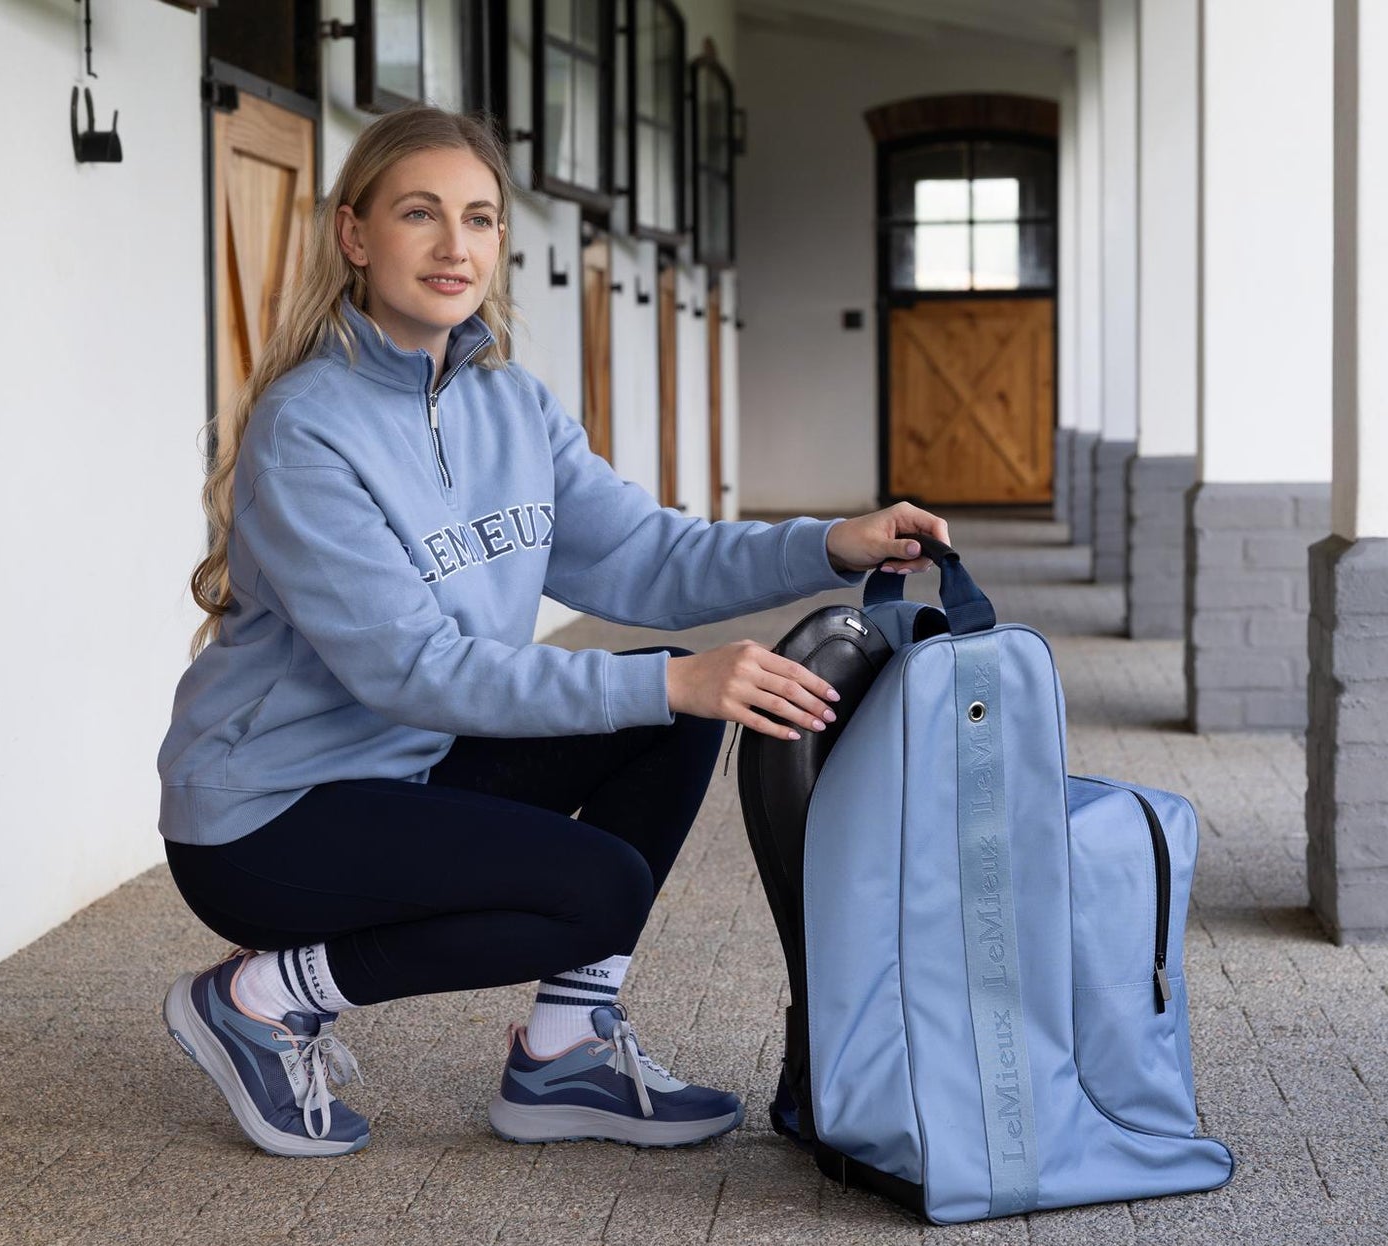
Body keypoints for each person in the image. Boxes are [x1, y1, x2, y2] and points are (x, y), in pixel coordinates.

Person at [156, 105, 950, 1158]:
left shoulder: (510, 406)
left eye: (479, 219)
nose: (455, 246)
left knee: (671, 702)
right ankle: (260, 998)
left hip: (410, 767)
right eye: (419, 213)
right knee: (600, 876)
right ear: (354, 234)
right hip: (267, 817)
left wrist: (830, 546)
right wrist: (668, 687)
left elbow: (651, 560)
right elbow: (413, 670)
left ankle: (564, 1052)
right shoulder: (308, 430)